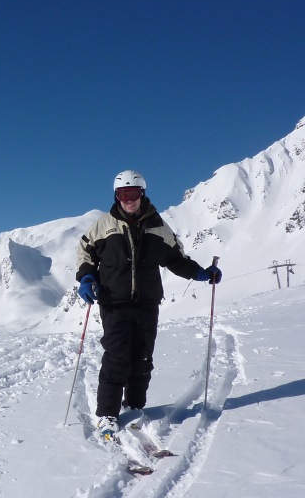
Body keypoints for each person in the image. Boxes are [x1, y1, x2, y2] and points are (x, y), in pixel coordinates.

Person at [76, 170, 222, 440]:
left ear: (142, 193)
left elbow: (176, 259)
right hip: (114, 302)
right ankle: (108, 414)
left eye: (132, 193)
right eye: (122, 194)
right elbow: (85, 251)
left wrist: (201, 273)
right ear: (116, 196)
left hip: (147, 302)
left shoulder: (158, 227)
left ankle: (134, 406)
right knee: (117, 358)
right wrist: (86, 276)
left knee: (143, 358)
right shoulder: (104, 225)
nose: (128, 199)